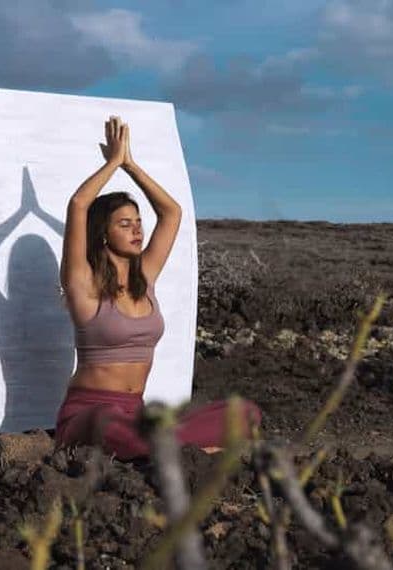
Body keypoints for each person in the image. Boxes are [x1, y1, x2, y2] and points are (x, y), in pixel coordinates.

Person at [53, 115, 261, 461]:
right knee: (119, 429)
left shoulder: (145, 277)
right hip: (89, 414)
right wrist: (113, 164)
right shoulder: (84, 284)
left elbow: (172, 213)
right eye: (125, 224)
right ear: (103, 233)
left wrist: (132, 165)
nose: (137, 230)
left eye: (138, 223)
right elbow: (78, 205)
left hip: (137, 413)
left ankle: (174, 447)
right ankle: (190, 451)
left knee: (244, 412)